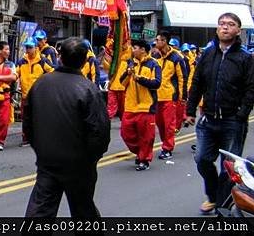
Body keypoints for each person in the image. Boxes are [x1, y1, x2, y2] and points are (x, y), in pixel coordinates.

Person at [23, 37, 110, 219]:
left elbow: (28, 125)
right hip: (78, 164)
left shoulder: (40, 84)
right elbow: (100, 133)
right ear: (85, 61)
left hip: (49, 160)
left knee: (40, 211)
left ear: (60, 57)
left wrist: (41, 150)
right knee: (83, 210)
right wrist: (90, 159)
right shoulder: (88, 89)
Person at [185, 13, 254, 214]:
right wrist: (190, 110)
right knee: (202, 160)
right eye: (221, 24)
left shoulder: (245, 58)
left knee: (229, 168)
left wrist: (242, 114)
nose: (225, 27)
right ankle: (214, 195)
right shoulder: (207, 55)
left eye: (230, 24)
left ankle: (221, 206)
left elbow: (251, 89)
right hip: (208, 119)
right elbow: (197, 82)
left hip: (233, 122)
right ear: (217, 29)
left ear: (238, 31)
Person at [119, 40, 161, 171]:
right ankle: (140, 152)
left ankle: (144, 159)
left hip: (146, 107)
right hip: (130, 106)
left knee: (146, 137)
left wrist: (139, 79)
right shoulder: (131, 63)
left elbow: (156, 83)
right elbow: (122, 82)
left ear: (143, 50)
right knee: (126, 134)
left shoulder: (154, 64)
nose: (133, 50)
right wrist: (128, 73)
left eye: (135, 48)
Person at [153, 30, 186, 160]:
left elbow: (182, 77)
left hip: (170, 97)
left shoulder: (177, 58)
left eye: (158, 40)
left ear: (164, 41)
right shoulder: (155, 57)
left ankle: (167, 148)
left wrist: (183, 97)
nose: (156, 42)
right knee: (160, 124)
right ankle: (165, 143)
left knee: (169, 124)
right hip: (156, 96)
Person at [16, 37, 53, 147]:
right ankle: (26, 138)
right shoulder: (21, 62)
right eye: (26, 47)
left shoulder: (43, 61)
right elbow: (15, 74)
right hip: (25, 95)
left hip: (39, 96)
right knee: (25, 118)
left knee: (40, 117)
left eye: (30, 47)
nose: (28, 50)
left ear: (36, 48)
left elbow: (53, 73)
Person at [176, 43, 196, 133]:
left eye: (187, 51)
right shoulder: (180, 59)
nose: (186, 53)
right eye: (184, 51)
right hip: (183, 85)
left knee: (184, 103)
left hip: (189, 85)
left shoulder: (191, 60)